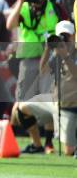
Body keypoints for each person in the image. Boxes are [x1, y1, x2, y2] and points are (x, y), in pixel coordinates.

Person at [16, 21, 77, 156]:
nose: (64, 40)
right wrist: (48, 49)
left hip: (71, 105)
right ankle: (37, 145)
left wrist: (66, 56)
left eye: (66, 36)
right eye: (61, 36)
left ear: (73, 36)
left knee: (69, 151)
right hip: (55, 101)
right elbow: (43, 70)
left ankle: (66, 142)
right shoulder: (57, 54)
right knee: (22, 107)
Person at [6, 0, 60, 101]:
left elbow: (55, 31)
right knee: (24, 99)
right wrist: (20, 1)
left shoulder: (51, 7)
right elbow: (10, 25)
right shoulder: (24, 7)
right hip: (28, 60)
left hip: (47, 60)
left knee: (46, 98)